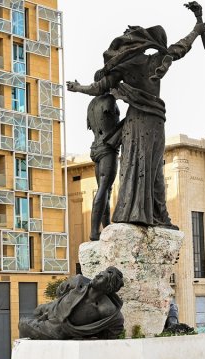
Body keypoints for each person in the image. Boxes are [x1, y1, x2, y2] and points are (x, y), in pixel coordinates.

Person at [66, 7, 205, 228]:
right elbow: (181, 48)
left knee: (137, 166)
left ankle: (147, 215)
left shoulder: (124, 67)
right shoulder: (158, 59)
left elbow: (98, 87)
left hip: (137, 121)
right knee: (153, 167)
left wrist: (77, 87)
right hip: (154, 120)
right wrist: (197, 28)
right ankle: (158, 216)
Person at [19, 267, 125, 340]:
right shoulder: (79, 282)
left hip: (58, 328)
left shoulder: (106, 309)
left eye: (101, 278)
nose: (96, 277)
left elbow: (115, 328)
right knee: (36, 311)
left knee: (23, 324)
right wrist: (68, 283)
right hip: (53, 308)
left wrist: (85, 334)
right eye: (98, 275)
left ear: (108, 287)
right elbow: (59, 292)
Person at [84, 72, 122, 241]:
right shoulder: (109, 101)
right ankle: (94, 231)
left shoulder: (91, 104)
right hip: (108, 147)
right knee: (103, 189)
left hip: (95, 148)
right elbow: (112, 123)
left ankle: (105, 227)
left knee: (105, 189)